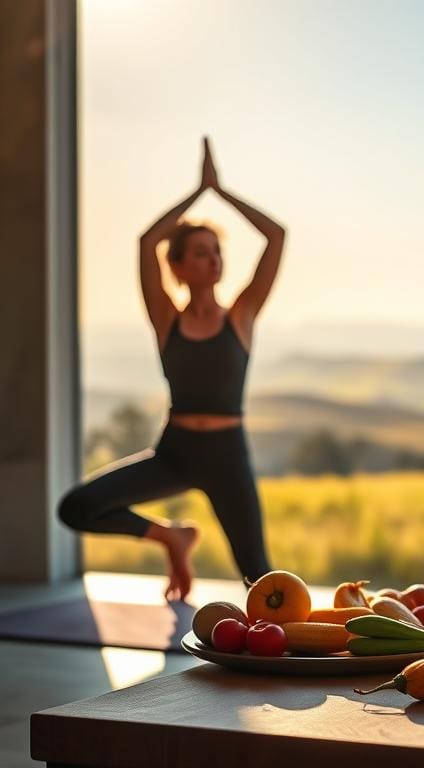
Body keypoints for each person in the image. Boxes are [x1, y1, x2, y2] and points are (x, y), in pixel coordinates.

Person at [58, 137, 285, 601]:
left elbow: (276, 236)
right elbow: (147, 241)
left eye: (217, 251)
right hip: (175, 451)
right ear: (178, 266)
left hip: (227, 456)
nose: (214, 259)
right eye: (200, 251)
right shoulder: (167, 319)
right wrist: (195, 192)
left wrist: (219, 192)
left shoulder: (240, 317)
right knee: (77, 508)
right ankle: (170, 537)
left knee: (259, 580)